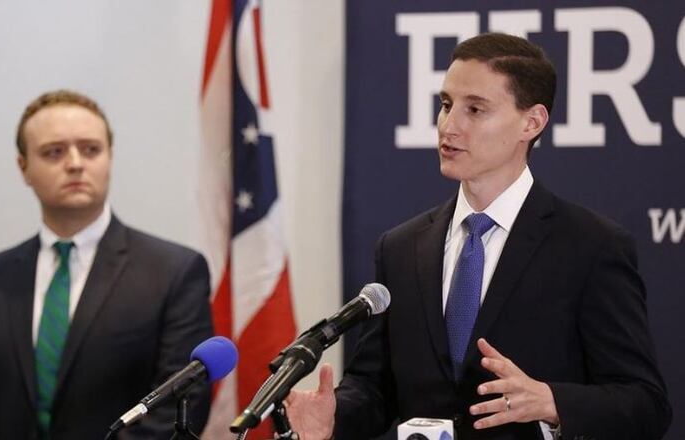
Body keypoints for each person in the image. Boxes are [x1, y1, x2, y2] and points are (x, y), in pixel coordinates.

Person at [285, 33, 671, 440]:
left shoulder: (590, 247)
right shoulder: (400, 248)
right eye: (447, 105)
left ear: (532, 122)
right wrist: (334, 418)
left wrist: (551, 402)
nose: (449, 126)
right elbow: (375, 389)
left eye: (475, 109)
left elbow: (646, 404)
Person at [0, 90, 214, 439]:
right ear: (24, 168)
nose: (76, 163)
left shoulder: (174, 273)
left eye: (91, 149)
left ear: (110, 157)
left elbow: (180, 405)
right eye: (54, 152)